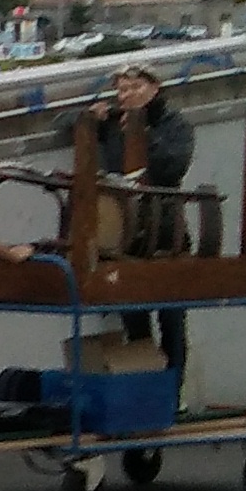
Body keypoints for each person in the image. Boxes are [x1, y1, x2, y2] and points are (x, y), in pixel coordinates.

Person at [79, 60, 195, 389]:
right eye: (122, 89)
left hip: (165, 233)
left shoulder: (175, 124)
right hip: (124, 236)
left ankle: (174, 391)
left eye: (135, 87)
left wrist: (142, 134)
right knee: (134, 317)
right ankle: (145, 391)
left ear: (155, 88)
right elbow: (66, 124)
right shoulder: (114, 122)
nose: (127, 94)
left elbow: (173, 167)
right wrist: (92, 117)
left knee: (171, 318)